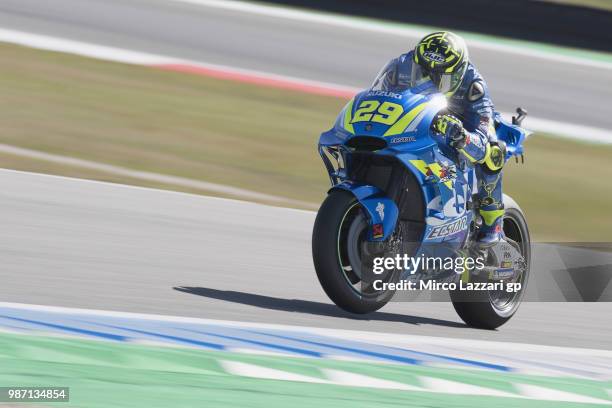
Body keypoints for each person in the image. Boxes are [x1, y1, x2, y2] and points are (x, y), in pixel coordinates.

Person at [379, 31, 506, 246]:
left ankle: (491, 223)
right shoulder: (401, 65)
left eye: (440, 77)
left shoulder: (474, 85)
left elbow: (485, 134)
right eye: (423, 73)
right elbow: (381, 97)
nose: (430, 80)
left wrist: (461, 135)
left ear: (457, 75)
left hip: (460, 126)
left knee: (494, 153)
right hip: (416, 119)